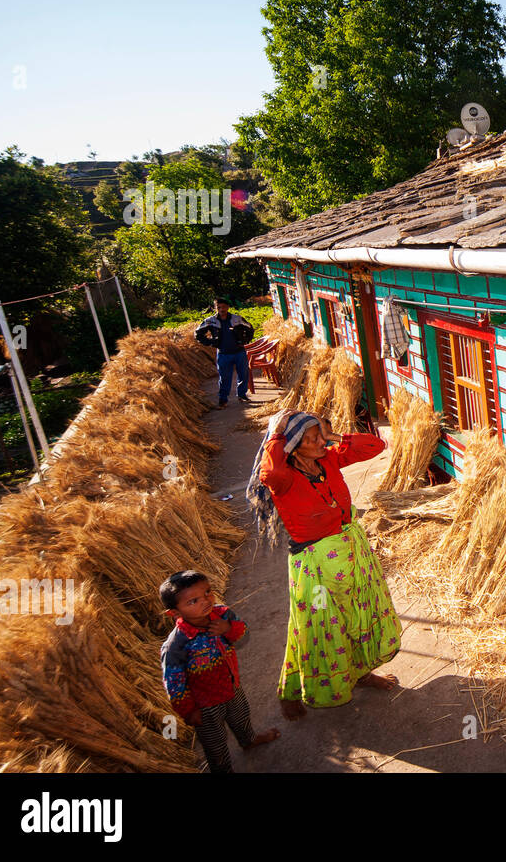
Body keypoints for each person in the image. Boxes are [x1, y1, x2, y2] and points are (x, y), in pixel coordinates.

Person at [248, 410, 401, 720]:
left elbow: (375, 446)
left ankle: (361, 673)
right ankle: (290, 692)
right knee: (319, 627)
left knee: (357, 614)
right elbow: (271, 474)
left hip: (350, 552)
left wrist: (333, 437)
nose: (320, 441)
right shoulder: (286, 478)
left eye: (321, 434)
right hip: (316, 563)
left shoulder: (328, 459)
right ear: (292, 444)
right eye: (311, 437)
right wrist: (276, 435)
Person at [159, 570, 280, 772]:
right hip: (205, 705)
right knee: (214, 743)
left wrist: (228, 629)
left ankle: (249, 740)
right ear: (175, 613)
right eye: (193, 601)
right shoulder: (175, 645)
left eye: (207, 592)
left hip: (232, 688)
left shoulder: (223, 614)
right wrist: (188, 710)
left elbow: (243, 634)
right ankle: (222, 768)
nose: (206, 600)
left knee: (242, 718)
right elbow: (173, 682)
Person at [195, 296, 255, 408]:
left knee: (243, 374)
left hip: (239, 352)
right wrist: (211, 342)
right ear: (215, 308)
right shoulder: (210, 321)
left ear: (228, 307)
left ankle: (242, 395)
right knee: (224, 377)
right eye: (219, 307)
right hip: (223, 353)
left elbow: (250, 328)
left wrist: (245, 340)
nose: (221, 309)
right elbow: (198, 334)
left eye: (224, 307)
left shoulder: (237, 319)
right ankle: (223, 400)